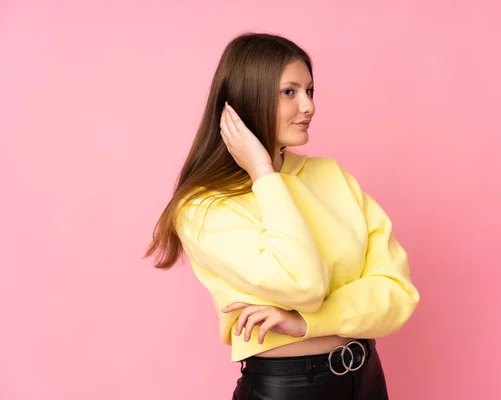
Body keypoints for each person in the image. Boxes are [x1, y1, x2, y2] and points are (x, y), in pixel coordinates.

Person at [145, 32, 420, 399]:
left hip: (368, 378)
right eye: (289, 92)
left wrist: (304, 321)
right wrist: (262, 172)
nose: (308, 106)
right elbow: (303, 284)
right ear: (248, 97)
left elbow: (398, 293)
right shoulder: (203, 207)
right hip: (288, 388)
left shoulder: (331, 176)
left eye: (310, 90)